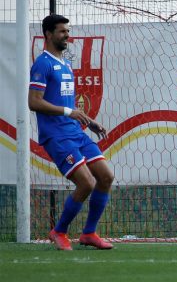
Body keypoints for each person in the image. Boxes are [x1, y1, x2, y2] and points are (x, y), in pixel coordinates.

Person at [29, 14, 114, 250]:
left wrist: (88, 121)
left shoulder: (66, 64)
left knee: (106, 177)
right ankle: (59, 231)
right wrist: (68, 112)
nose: (68, 35)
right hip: (56, 136)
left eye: (68, 30)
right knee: (86, 182)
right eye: (62, 31)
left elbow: (67, 103)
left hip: (75, 131)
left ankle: (88, 234)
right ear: (48, 34)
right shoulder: (42, 64)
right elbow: (34, 102)